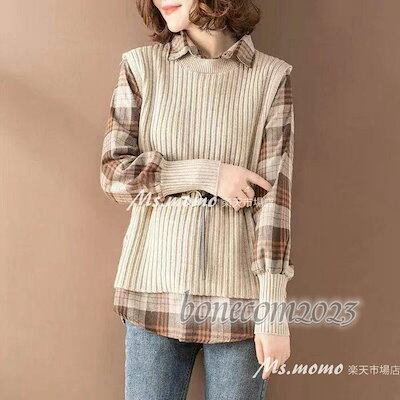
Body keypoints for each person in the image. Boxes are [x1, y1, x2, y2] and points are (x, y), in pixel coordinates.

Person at [99, 0, 295, 399]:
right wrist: (208, 175)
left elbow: (274, 203)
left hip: (239, 301)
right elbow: (113, 175)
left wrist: (273, 309)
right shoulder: (141, 67)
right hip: (153, 291)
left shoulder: (271, 77)